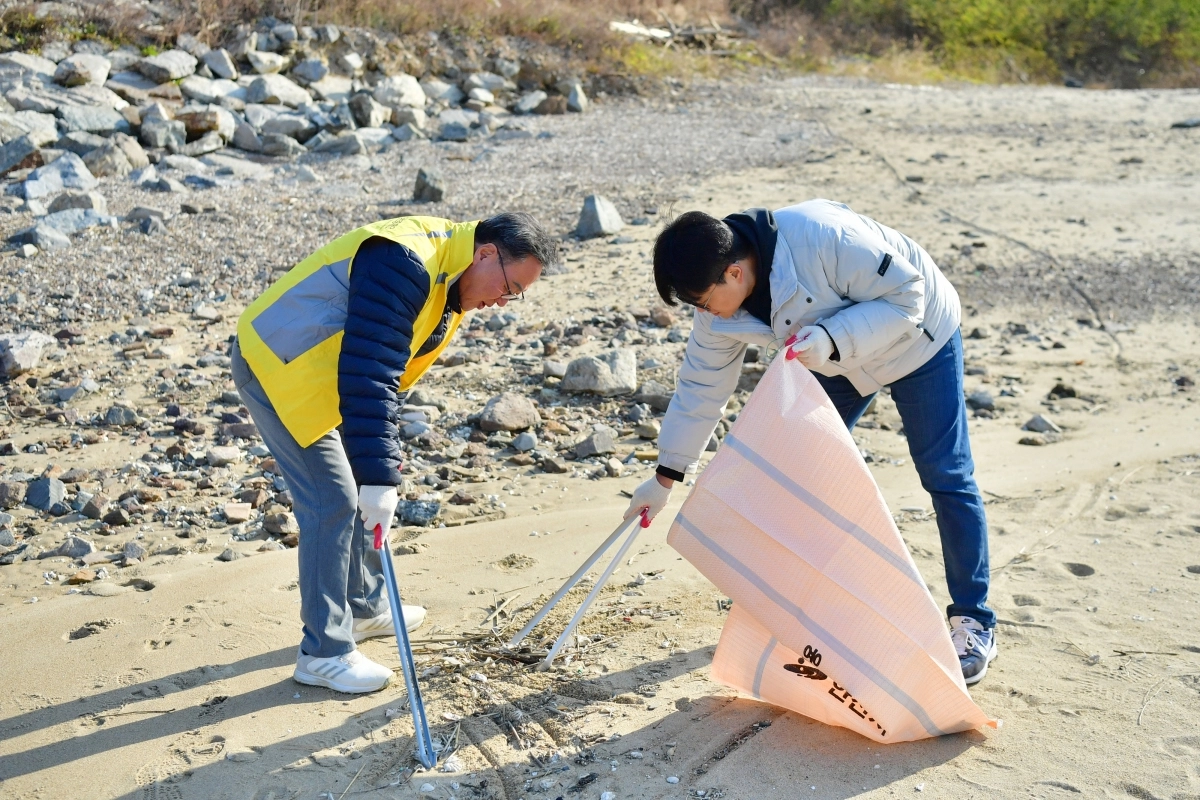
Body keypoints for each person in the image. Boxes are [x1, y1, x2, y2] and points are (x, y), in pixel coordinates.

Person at [624, 200, 997, 684]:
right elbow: (701, 387)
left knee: (944, 474)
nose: (701, 312)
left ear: (734, 273)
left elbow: (910, 294)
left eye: (700, 300)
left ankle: (974, 620)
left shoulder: (824, 238)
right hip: (831, 352)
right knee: (792, 473)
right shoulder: (718, 309)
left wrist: (828, 338)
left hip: (918, 338)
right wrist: (665, 476)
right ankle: (800, 610)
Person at [233, 212, 559, 693]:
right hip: (279, 368)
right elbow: (371, 369)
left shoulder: (452, 279)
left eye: (516, 296)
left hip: (331, 379)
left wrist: (376, 466)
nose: (502, 302)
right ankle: (323, 653)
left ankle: (365, 607)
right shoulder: (405, 261)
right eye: (509, 287)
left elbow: (383, 376)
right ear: (486, 253)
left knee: (363, 485)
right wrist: (381, 475)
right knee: (335, 500)